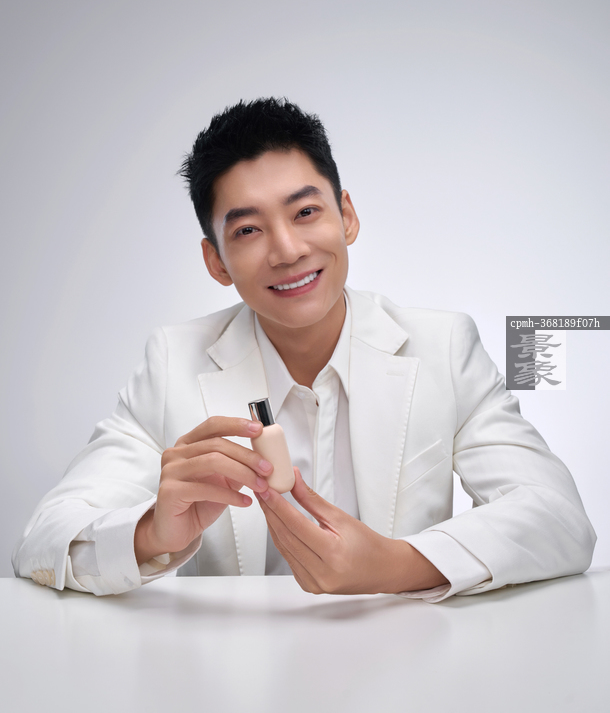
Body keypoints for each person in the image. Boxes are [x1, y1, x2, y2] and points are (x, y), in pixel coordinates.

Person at [13, 98, 596, 600]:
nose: (287, 250)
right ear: (216, 262)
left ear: (347, 217)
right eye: (247, 230)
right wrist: (149, 535)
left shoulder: (443, 346)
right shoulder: (172, 364)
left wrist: (395, 566)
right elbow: (41, 540)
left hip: (409, 665)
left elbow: (559, 517)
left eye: (306, 212)